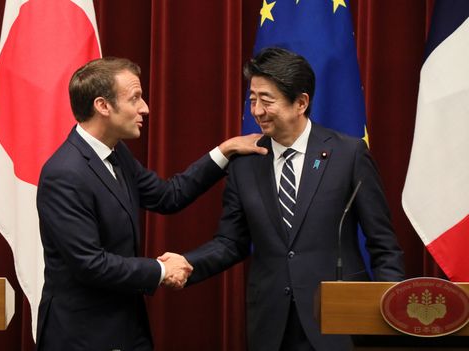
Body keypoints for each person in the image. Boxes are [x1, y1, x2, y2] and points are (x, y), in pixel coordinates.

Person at [161, 47, 405, 350]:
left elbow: (383, 244)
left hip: (340, 321)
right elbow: (231, 242)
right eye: (252, 99)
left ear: (300, 102)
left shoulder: (348, 155)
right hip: (272, 324)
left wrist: (389, 312)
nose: (257, 111)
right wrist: (188, 262)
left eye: (267, 100)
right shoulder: (245, 163)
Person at [35, 56, 267, 351]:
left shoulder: (117, 154)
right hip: (82, 336)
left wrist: (225, 150)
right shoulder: (63, 174)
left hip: (127, 329)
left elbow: (168, 196)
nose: (145, 108)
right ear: (103, 106)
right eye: (135, 98)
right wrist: (160, 271)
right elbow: (89, 264)